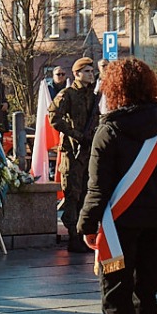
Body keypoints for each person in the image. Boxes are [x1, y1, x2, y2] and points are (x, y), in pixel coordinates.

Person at [78, 58, 157, 314]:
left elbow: (97, 187)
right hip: (156, 220)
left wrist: (86, 225)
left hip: (120, 224)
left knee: (116, 296)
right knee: (146, 294)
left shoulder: (109, 129)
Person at [51, 58, 101, 255]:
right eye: (87, 71)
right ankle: (73, 236)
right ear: (77, 74)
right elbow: (54, 118)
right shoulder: (68, 94)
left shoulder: (93, 95)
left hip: (89, 151)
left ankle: (82, 234)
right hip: (73, 151)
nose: (91, 74)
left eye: (91, 71)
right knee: (73, 193)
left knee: (86, 193)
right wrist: (76, 135)